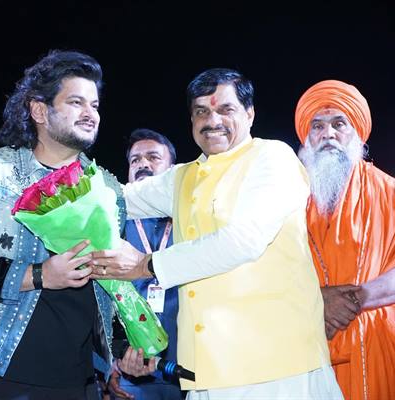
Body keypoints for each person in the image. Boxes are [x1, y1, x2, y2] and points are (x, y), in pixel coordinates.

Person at [89, 68, 343, 399]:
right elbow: (116, 199)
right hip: (207, 373)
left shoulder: (272, 158)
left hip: (277, 370)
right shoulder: (182, 177)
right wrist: (57, 185)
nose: (212, 121)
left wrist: (145, 265)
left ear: (249, 114)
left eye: (226, 109)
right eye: (201, 112)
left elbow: (243, 241)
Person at [0, 50, 125, 400]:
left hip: (78, 381)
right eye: (76, 102)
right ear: (39, 111)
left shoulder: (108, 189)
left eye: (94, 105)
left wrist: (125, 348)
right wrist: (37, 274)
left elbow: (111, 285)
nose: (90, 113)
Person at [294, 79, 395, 400]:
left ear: (357, 134)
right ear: (306, 138)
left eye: (339, 124)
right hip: (303, 342)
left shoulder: (389, 191)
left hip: (375, 342)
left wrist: (355, 299)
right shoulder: (287, 196)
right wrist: (315, 302)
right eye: (317, 126)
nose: (328, 134)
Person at [107, 128, 182, 400]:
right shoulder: (113, 224)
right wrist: (110, 363)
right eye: (135, 160)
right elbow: (100, 300)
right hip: (131, 372)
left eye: (153, 157)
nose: (143, 164)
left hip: (190, 370)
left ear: (172, 170)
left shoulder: (188, 218)